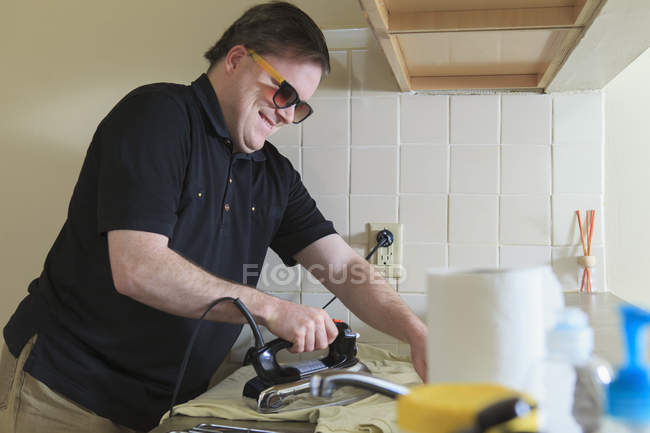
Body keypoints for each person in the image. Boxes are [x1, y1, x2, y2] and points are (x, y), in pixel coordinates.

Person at [0, 2, 427, 432]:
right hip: (63, 391)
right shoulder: (157, 117)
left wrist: (416, 334)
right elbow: (137, 268)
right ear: (237, 59)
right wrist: (269, 308)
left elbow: (344, 267)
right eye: (284, 93)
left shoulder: (274, 175)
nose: (285, 114)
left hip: (168, 404)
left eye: (299, 106)